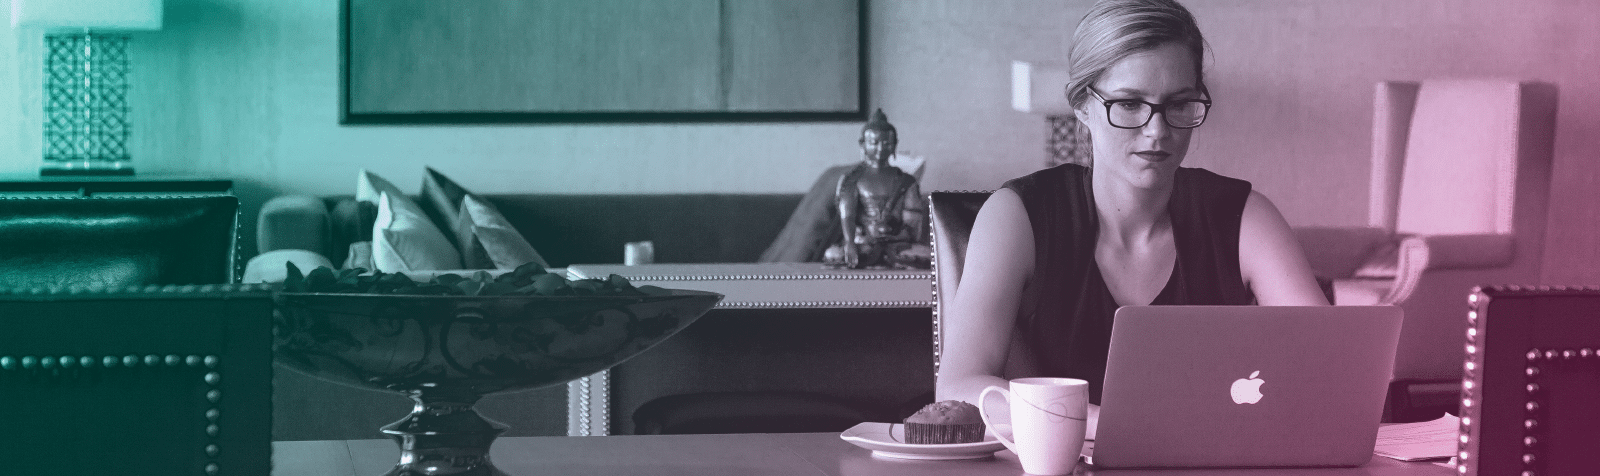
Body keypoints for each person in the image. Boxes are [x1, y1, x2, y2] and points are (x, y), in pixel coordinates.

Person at [935, 0, 1328, 437]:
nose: (1157, 130)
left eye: (1180, 104)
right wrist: (1117, 427)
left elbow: (1327, 368)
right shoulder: (1018, 216)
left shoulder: (1244, 216)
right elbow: (959, 387)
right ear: (1083, 106)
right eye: (1128, 104)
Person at [824, 109, 932, 269]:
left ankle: (886, 258)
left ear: (895, 144)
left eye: (887, 143)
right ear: (863, 144)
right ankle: (882, 259)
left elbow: (913, 219)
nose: (881, 148)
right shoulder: (852, 179)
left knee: (932, 255)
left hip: (898, 243)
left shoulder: (906, 181)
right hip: (864, 242)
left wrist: (897, 234)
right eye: (874, 143)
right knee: (832, 255)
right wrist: (850, 242)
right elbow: (848, 216)